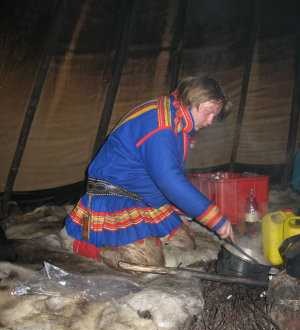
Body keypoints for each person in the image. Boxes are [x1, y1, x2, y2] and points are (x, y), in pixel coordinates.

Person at [63, 74, 235, 270]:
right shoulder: (161, 125)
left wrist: (176, 211)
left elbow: (165, 175)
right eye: (208, 113)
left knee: (186, 244)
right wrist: (217, 219)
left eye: (215, 115)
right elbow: (170, 181)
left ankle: (143, 238)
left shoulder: (178, 122)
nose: (211, 121)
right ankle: (81, 244)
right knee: (145, 264)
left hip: (143, 197)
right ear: (193, 100)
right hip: (114, 196)